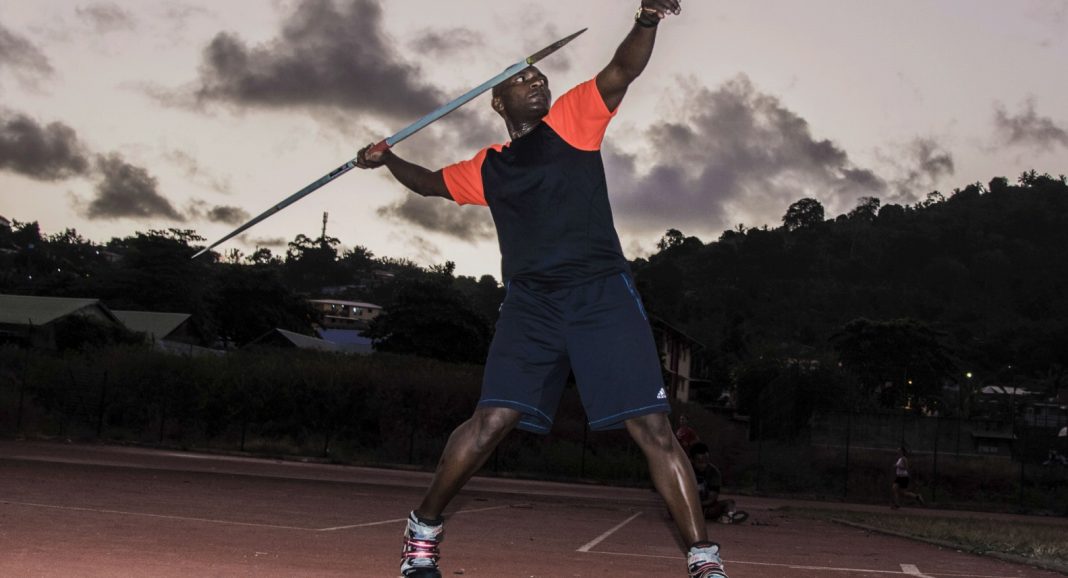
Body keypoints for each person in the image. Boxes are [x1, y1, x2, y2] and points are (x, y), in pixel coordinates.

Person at [357, 2, 728, 577]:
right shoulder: (488, 168)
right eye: (522, 79)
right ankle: (423, 528)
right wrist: (387, 160)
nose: (537, 81)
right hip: (531, 304)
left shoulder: (572, 120)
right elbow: (429, 184)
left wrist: (647, 18)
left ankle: (704, 561)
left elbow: (622, 70)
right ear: (498, 102)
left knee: (654, 429)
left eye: (539, 76)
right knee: (491, 422)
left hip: (601, 295)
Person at [690, 442, 748, 524]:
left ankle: (729, 516)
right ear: (692, 460)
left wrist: (699, 505)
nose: (704, 465)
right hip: (687, 508)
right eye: (700, 462)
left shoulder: (714, 472)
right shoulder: (685, 471)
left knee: (730, 502)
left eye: (706, 461)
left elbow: (712, 498)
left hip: (706, 508)